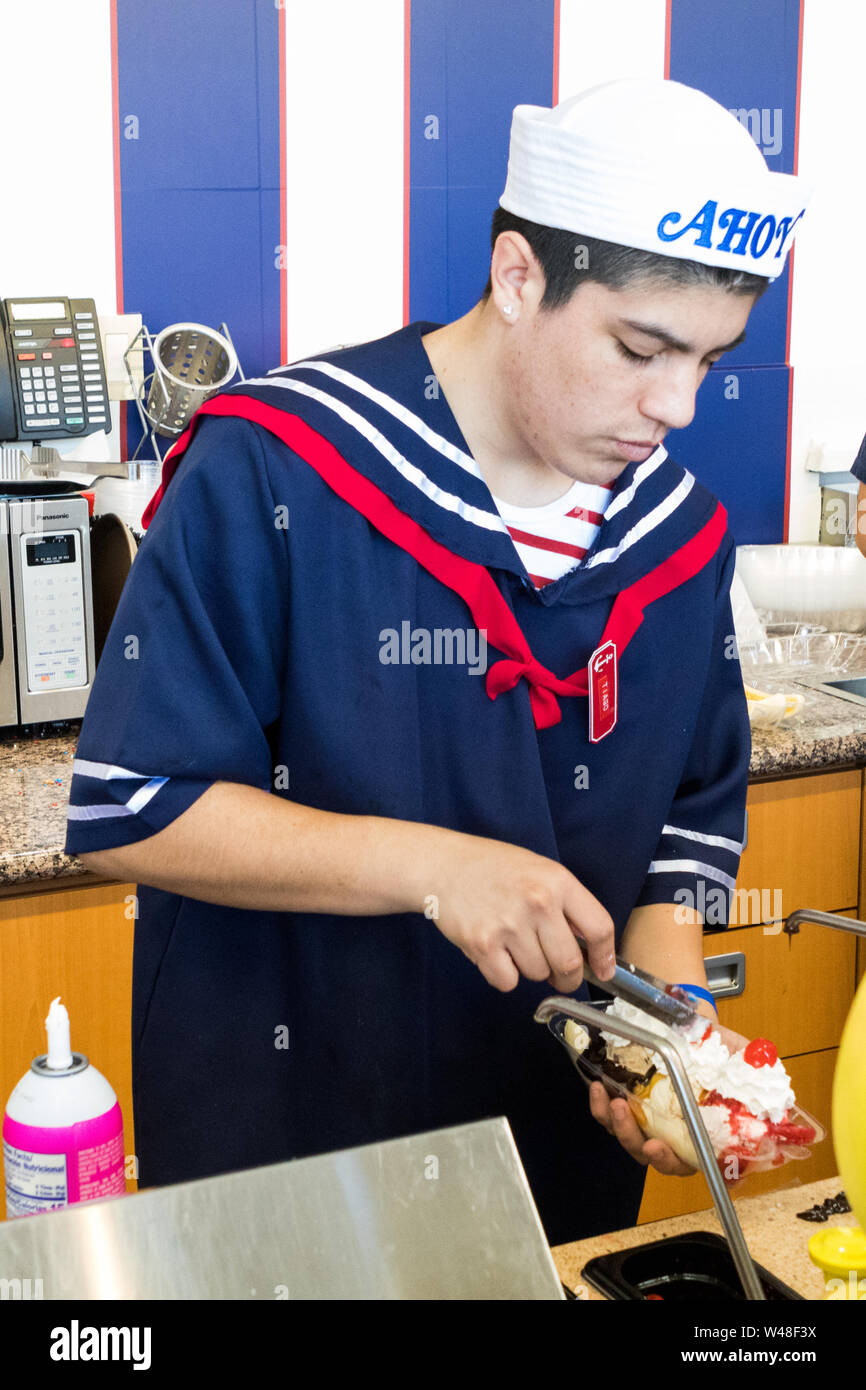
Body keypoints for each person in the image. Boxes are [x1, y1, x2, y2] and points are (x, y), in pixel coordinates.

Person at [65, 79, 810, 1245]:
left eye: (709, 361)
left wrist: (661, 1045)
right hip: (288, 1145)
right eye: (638, 348)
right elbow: (131, 808)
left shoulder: (674, 541)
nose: (674, 405)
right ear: (518, 278)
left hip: (548, 1165)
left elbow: (678, 841)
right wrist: (433, 868)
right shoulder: (277, 470)